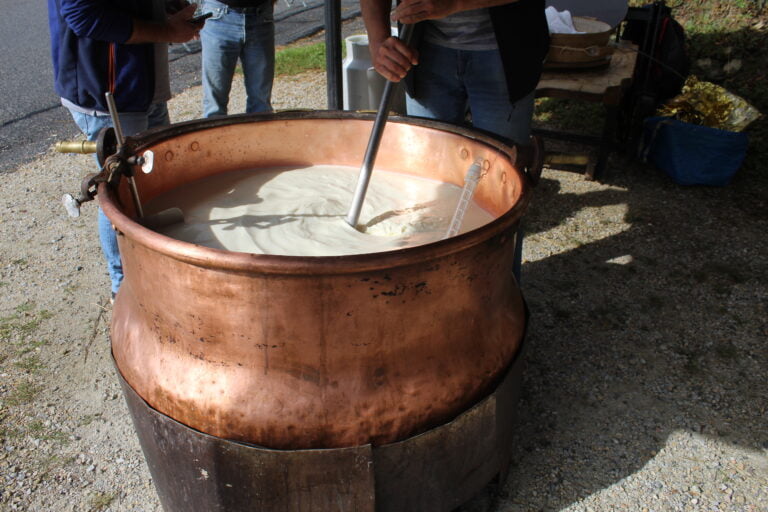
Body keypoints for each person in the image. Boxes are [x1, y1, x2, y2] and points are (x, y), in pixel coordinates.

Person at [360, 0, 549, 282]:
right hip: (425, 51)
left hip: (504, 52)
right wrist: (378, 40)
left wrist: (456, 3)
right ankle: (435, 288)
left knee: (500, 187)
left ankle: (496, 296)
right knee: (427, 183)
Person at [47, 0, 202, 301]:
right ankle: (125, 290)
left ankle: (154, 271)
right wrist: (164, 30)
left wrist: (165, 10)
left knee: (154, 182)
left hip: (142, 84)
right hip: (108, 94)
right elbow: (84, 16)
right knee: (118, 189)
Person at [198, 0, 276, 117]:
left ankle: (258, 134)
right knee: (214, 106)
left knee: (261, 105)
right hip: (218, 16)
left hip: (261, 15)